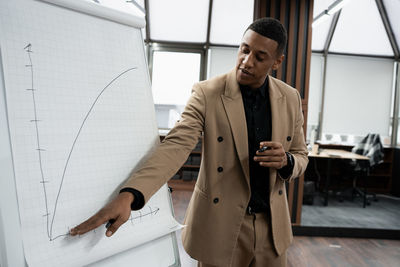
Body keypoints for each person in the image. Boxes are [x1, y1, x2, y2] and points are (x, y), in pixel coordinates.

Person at [70, 17, 309, 267]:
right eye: (244, 49)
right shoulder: (208, 93)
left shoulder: (290, 98)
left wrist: (287, 161)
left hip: (272, 231)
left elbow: (301, 155)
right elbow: (175, 145)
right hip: (221, 227)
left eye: (259, 57)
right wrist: (131, 194)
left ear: (277, 62)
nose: (246, 62)